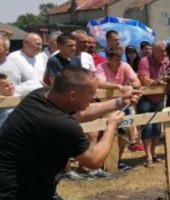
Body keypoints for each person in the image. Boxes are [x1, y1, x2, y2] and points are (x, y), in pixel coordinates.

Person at [0, 67, 141, 199]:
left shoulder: (40, 95)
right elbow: (94, 160)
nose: (94, 97)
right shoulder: (60, 123)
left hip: (31, 184)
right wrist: (111, 127)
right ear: (72, 95)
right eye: (91, 94)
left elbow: (82, 112)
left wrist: (119, 102)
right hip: (16, 192)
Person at [137, 41, 170, 165]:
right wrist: (160, 81)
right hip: (145, 99)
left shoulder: (168, 61)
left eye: (165, 51)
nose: (164, 53)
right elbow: (144, 80)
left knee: (157, 129)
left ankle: (153, 153)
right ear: (153, 51)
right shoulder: (144, 61)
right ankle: (148, 156)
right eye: (162, 51)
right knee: (147, 128)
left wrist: (168, 79)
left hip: (159, 99)